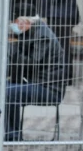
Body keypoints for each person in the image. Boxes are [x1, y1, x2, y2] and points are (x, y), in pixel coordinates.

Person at [4, 12, 65, 141]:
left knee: (7, 93)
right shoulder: (33, 32)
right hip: (37, 83)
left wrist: (14, 51)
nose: (14, 26)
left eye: (15, 22)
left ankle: (12, 136)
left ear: (25, 22)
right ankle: (10, 133)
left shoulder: (42, 36)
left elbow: (33, 62)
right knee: (2, 89)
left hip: (48, 88)